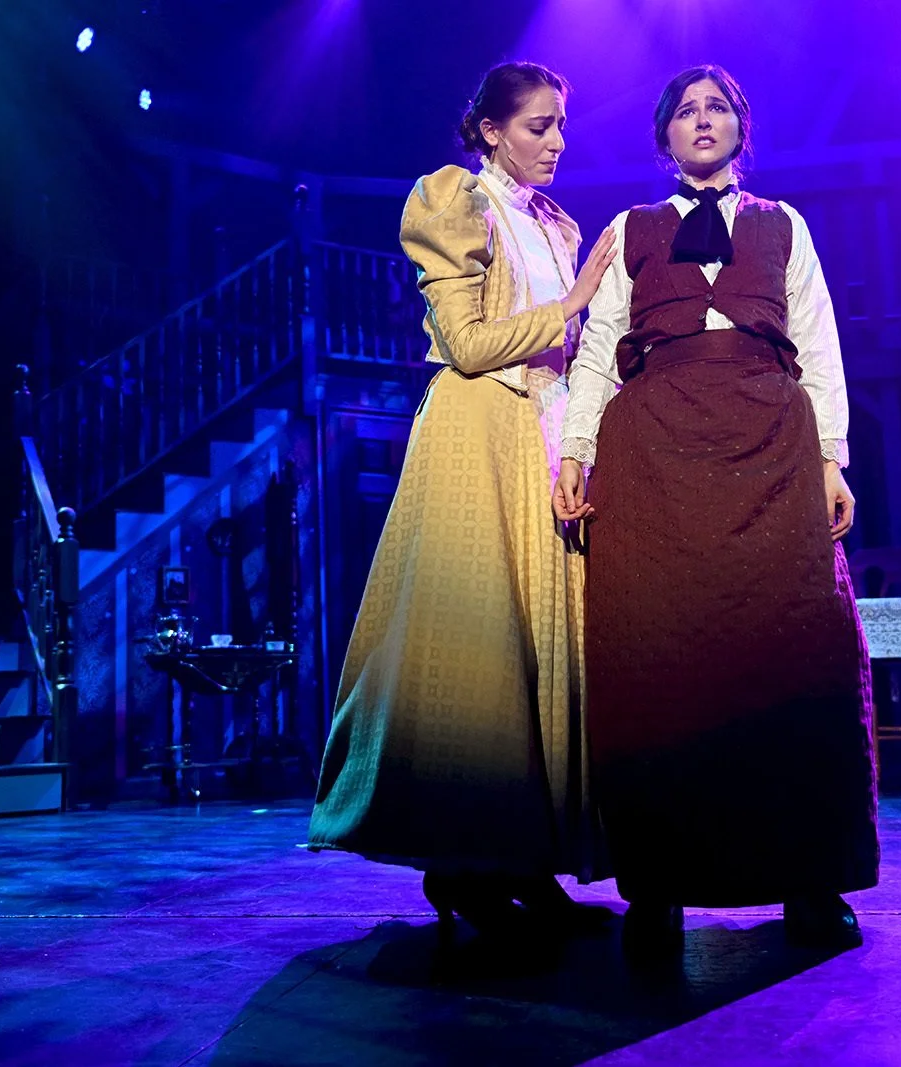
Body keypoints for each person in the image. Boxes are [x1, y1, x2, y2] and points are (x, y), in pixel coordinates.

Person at [553, 64, 878, 953]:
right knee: (659, 660)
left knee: (791, 654)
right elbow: (592, 356)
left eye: (718, 108)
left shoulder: (783, 226)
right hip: (653, 449)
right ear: (664, 138)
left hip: (771, 444)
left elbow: (818, 346)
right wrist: (577, 449)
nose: (703, 121)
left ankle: (808, 880)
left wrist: (830, 461)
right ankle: (657, 884)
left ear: (741, 128)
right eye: (687, 111)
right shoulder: (631, 229)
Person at [310, 61, 619, 940]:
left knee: (549, 649)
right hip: (476, 434)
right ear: (491, 130)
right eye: (537, 126)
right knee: (479, 657)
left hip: (548, 440)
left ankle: (529, 855)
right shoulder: (453, 200)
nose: (557, 141)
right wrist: (574, 301)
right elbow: (470, 343)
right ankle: (461, 860)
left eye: (562, 124)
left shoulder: (558, 225)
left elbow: (579, 345)